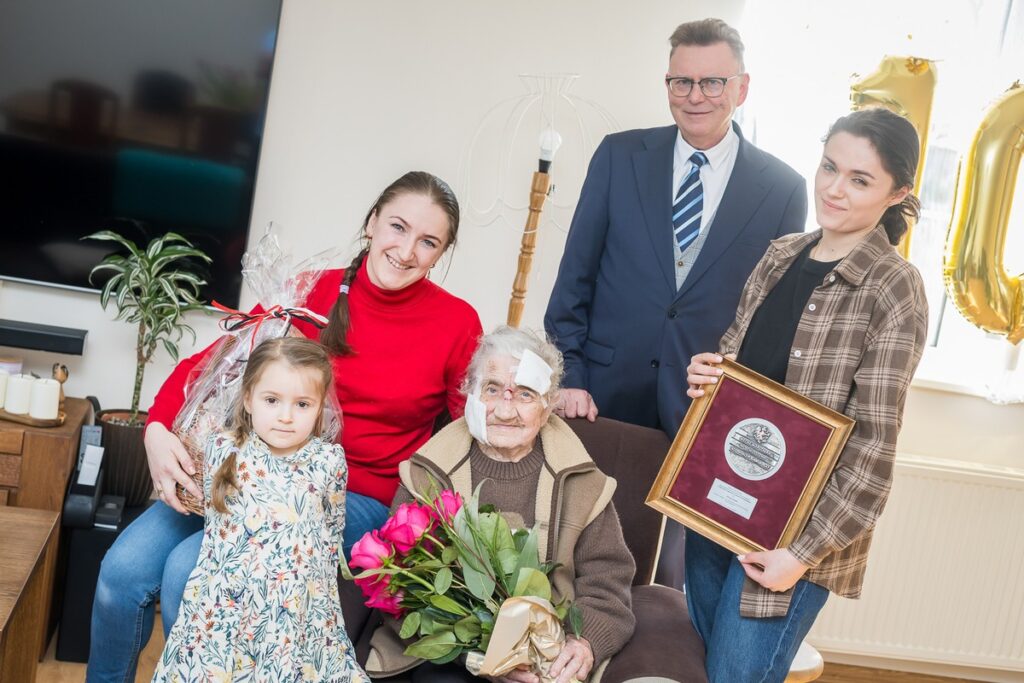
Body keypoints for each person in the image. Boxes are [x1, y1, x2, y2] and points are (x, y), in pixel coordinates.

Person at [88, 171, 483, 682]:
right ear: (371, 224)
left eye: (427, 241)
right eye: (397, 227)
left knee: (189, 570)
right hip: (250, 466)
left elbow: (473, 423)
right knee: (120, 572)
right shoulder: (309, 290)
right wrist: (157, 430)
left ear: (442, 252)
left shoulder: (456, 323)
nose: (406, 251)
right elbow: (215, 362)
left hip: (350, 493)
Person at [543, 18, 807, 586]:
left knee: (669, 582)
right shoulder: (618, 157)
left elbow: (771, 320)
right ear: (667, 86)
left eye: (712, 82)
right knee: (573, 559)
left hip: (700, 410)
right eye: (681, 82)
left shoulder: (782, 187)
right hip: (601, 399)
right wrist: (571, 375)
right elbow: (573, 281)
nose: (695, 97)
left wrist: (736, 401)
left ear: (742, 87)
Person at [684, 107, 929, 682]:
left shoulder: (895, 289)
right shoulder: (777, 257)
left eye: (860, 179)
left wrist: (801, 556)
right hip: (716, 512)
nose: (834, 189)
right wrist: (706, 379)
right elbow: (734, 381)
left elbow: (872, 452)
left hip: (792, 543)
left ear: (898, 193)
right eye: (829, 167)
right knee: (701, 664)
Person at [362, 326, 636, 683]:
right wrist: (482, 658)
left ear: (548, 405)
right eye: (492, 389)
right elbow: (402, 590)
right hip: (449, 656)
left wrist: (584, 644)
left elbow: (608, 584)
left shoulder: (583, 482)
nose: (506, 410)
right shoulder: (427, 474)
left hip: (548, 657)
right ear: (469, 395)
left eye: (524, 394)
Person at [152, 336, 368, 682]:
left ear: (319, 409)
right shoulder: (222, 449)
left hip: (292, 617)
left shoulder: (328, 461)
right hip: (224, 613)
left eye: (302, 404)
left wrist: (321, 614)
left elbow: (329, 537)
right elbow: (215, 536)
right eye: (272, 400)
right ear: (249, 398)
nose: (285, 417)